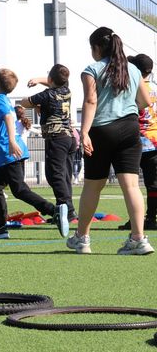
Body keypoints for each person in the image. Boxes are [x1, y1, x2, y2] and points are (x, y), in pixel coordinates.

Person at [66, 27, 154, 255]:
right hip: (130, 129)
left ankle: (82, 238)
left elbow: (90, 101)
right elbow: (145, 101)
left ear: (97, 47)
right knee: (132, 186)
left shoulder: (91, 69)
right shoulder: (133, 69)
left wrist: (84, 132)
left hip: (102, 130)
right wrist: (126, 107)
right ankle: (139, 239)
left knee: (93, 186)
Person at [0, 68, 69, 239]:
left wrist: (11, 141)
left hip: (9, 152)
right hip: (7, 154)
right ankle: (0, 227)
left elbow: (9, 118)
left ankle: (53, 211)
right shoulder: (3, 99)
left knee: (19, 190)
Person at [21, 64, 78, 223]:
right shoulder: (66, 90)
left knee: (55, 175)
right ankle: (64, 210)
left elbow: (25, 102)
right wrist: (40, 81)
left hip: (56, 138)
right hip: (69, 137)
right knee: (64, 176)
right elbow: (58, 82)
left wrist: (37, 104)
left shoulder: (47, 94)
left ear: (51, 79)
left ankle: (67, 211)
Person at [118, 54, 157, 231]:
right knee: (152, 184)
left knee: (131, 184)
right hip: (154, 140)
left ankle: (136, 220)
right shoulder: (154, 88)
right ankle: (151, 218)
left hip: (135, 139)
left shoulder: (133, 87)